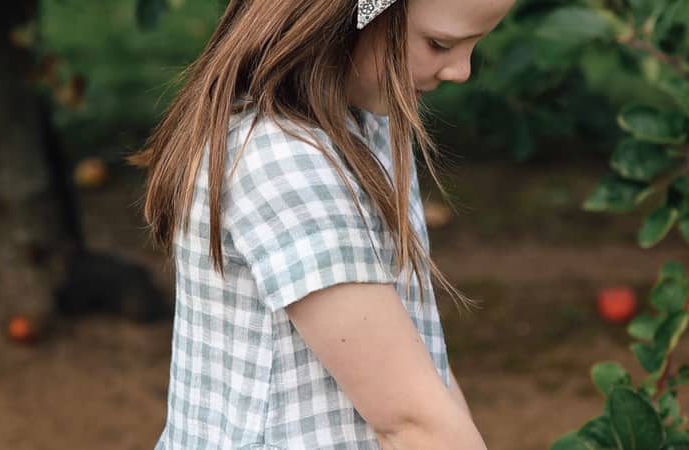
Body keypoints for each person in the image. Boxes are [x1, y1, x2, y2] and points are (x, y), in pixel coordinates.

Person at [128, 0, 515, 448]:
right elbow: (412, 422)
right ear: (350, 14)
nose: (461, 71)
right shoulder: (284, 163)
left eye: (472, 47)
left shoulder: (369, 125)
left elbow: (420, 376)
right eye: (439, 43)